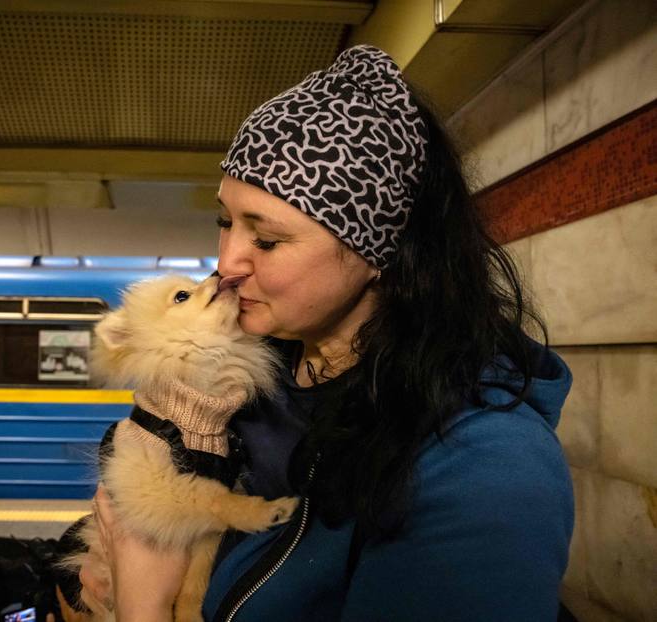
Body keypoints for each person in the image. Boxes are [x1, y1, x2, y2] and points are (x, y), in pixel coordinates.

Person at [82, 45, 574, 621]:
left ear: (379, 253)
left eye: (266, 239)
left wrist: (141, 608)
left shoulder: (485, 471)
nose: (227, 262)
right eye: (224, 221)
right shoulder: (227, 384)